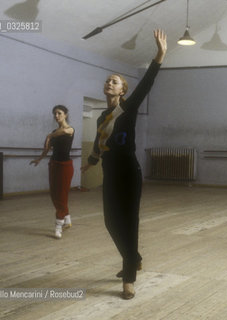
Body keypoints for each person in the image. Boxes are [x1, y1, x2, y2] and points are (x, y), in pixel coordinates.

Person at [81, 29, 167, 300]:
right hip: (111, 173)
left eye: (115, 81)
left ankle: (129, 276)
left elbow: (146, 84)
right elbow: (99, 142)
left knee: (129, 223)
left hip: (129, 173)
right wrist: (91, 161)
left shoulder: (127, 109)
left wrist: (159, 55)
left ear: (123, 90)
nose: (109, 83)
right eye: (107, 80)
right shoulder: (101, 118)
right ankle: (135, 257)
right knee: (110, 222)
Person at [30, 105, 75, 239]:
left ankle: (58, 226)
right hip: (54, 165)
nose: (56, 116)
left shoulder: (70, 129)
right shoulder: (54, 132)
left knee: (61, 196)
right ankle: (67, 219)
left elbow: (64, 132)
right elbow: (47, 148)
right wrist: (39, 159)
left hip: (65, 166)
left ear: (65, 114)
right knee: (54, 195)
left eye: (59, 113)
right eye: (54, 113)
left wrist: (49, 135)